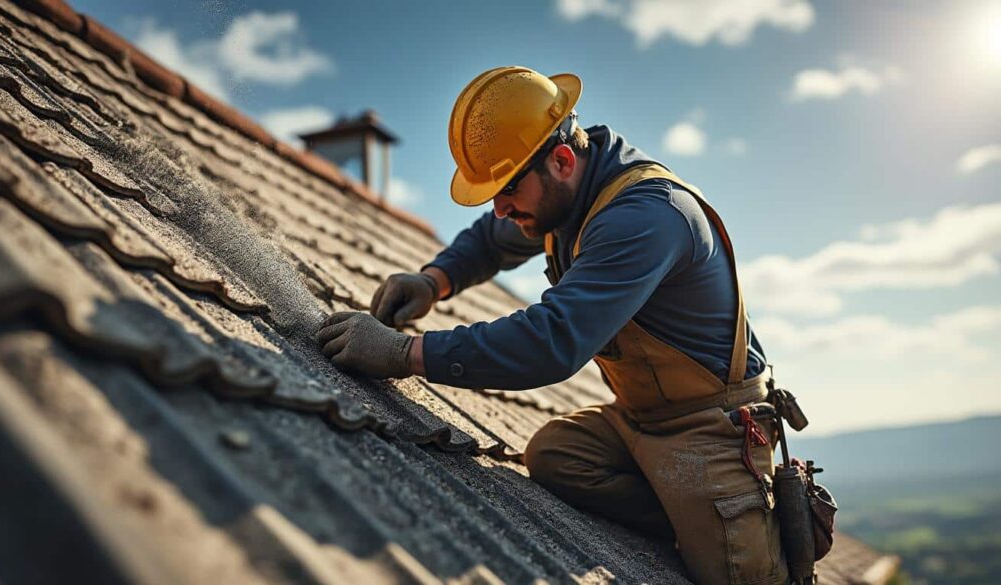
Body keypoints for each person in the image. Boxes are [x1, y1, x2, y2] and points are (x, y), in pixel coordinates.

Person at [316, 66, 788, 585]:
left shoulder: (646, 217)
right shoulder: (568, 194)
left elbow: (553, 340)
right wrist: (434, 280)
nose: (500, 207)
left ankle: (717, 517)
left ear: (562, 160)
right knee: (553, 456)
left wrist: (403, 354)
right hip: (637, 420)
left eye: (508, 188)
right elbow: (494, 239)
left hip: (709, 430)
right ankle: (679, 510)